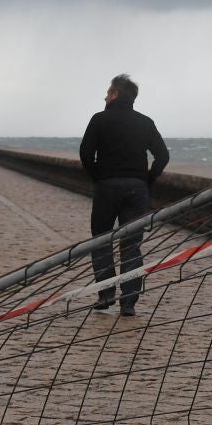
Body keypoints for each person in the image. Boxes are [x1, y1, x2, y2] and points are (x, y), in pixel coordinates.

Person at [79, 74, 169, 316]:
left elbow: (86, 155)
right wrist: (146, 180)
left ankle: (106, 294)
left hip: (107, 186)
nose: (105, 97)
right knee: (131, 246)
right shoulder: (145, 122)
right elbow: (163, 156)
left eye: (108, 92)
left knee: (101, 241)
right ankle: (128, 302)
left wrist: (99, 177)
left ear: (116, 94)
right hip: (136, 188)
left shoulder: (99, 119)